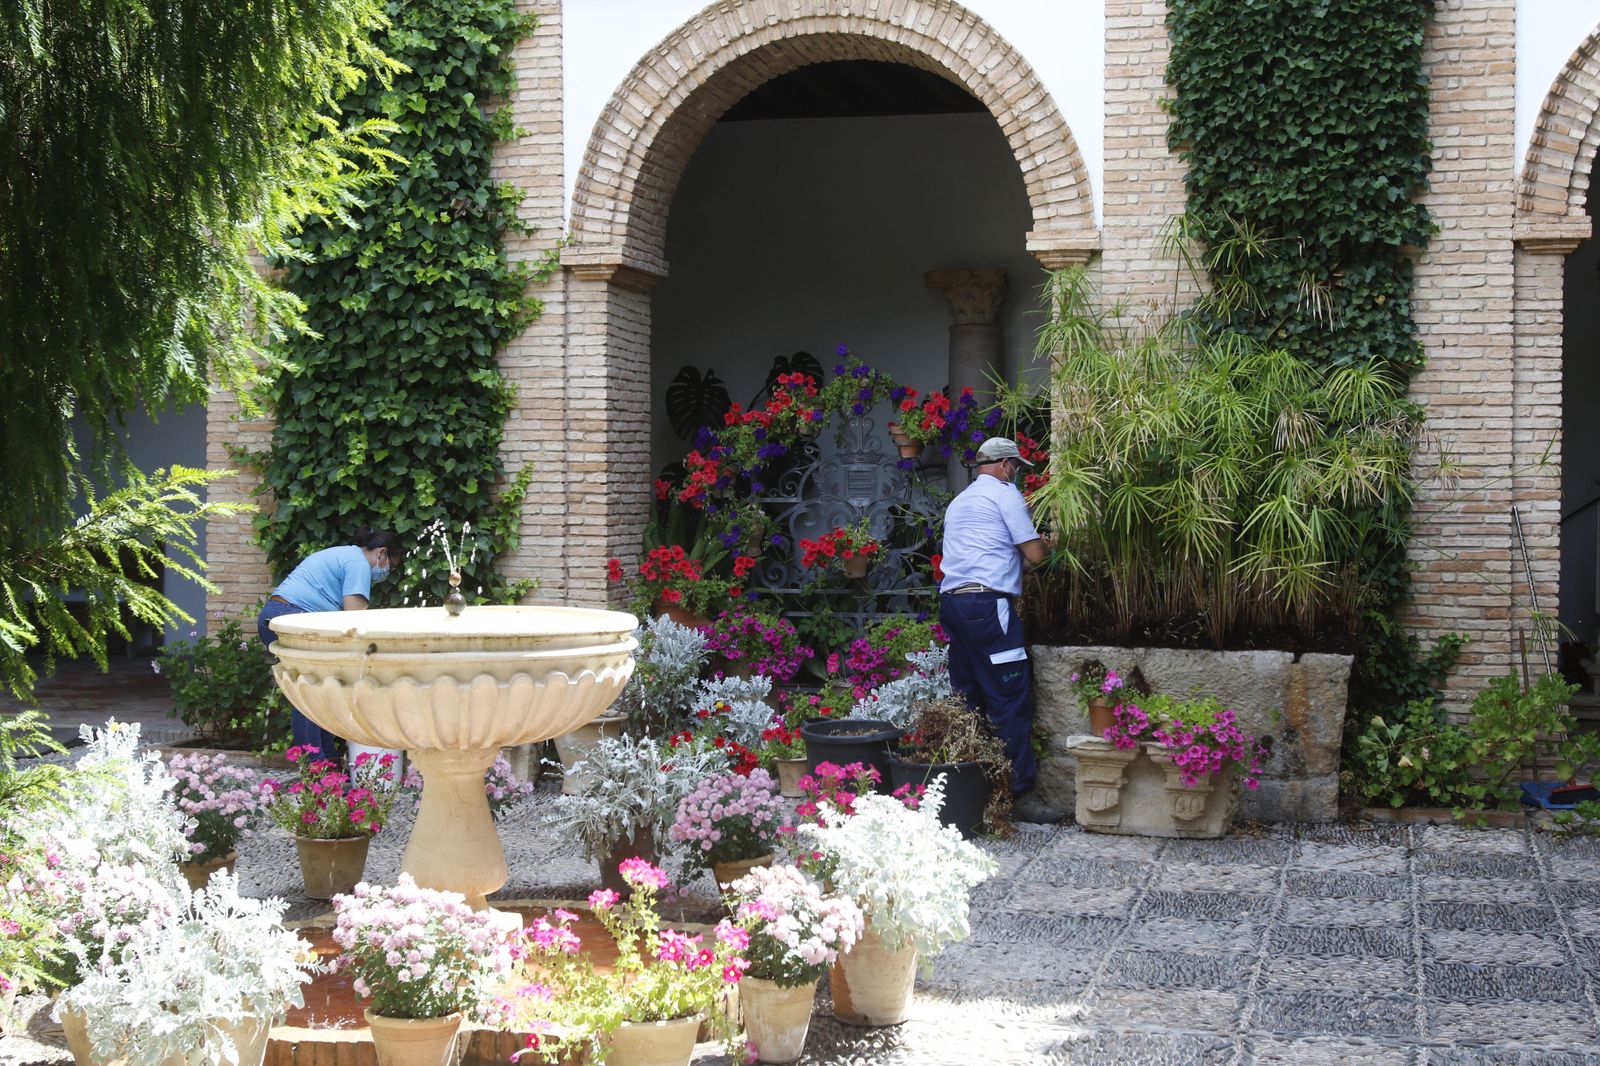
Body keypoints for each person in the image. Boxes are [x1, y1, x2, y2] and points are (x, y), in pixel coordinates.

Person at [938, 437, 1062, 824]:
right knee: (1010, 700)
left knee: (969, 698)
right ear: (1007, 465)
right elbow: (1035, 555)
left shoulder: (960, 501)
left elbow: (987, 555)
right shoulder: (1005, 494)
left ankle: (970, 795)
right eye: (1017, 468)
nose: (1018, 475)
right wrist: (1051, 545)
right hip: (989, 608)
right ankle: (1017, 796)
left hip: (953, 604)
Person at [256, 527, 405, 753]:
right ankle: (317, 777)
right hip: (294, 617)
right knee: (312, 695)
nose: (387, 572)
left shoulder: (346, 554)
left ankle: (327, 771)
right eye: (390, 567)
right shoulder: (359, 564)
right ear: (381, 553)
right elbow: (354, 623)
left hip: (276, 614)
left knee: (319, 692)